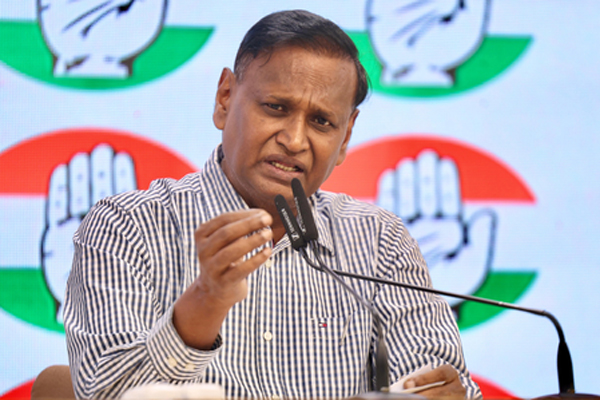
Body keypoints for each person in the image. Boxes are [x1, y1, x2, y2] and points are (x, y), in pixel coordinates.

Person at [64, 9, 482, 400]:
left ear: (346, 137)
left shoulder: (378, 242)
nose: (295, 140)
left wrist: (440, 392)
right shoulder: (127, 226)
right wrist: (205, 301)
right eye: (276, 108)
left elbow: (437, 378)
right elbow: (104, 393)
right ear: (225, 98)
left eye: (321, 121)